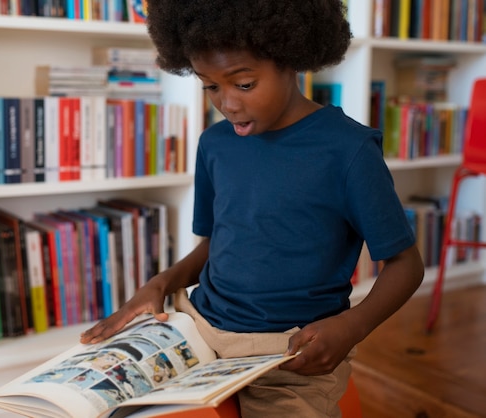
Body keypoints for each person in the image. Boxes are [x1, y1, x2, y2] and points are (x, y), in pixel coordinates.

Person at [81, 1, 425, 416]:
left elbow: (405, 265)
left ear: (292, 60)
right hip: (200, 328)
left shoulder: (348, 150)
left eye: (243, 84)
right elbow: (217, 241)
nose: (227, 103)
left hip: (288, 352)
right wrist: (161, 282)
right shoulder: (215, 144)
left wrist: (351, 327)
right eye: (210, 86)